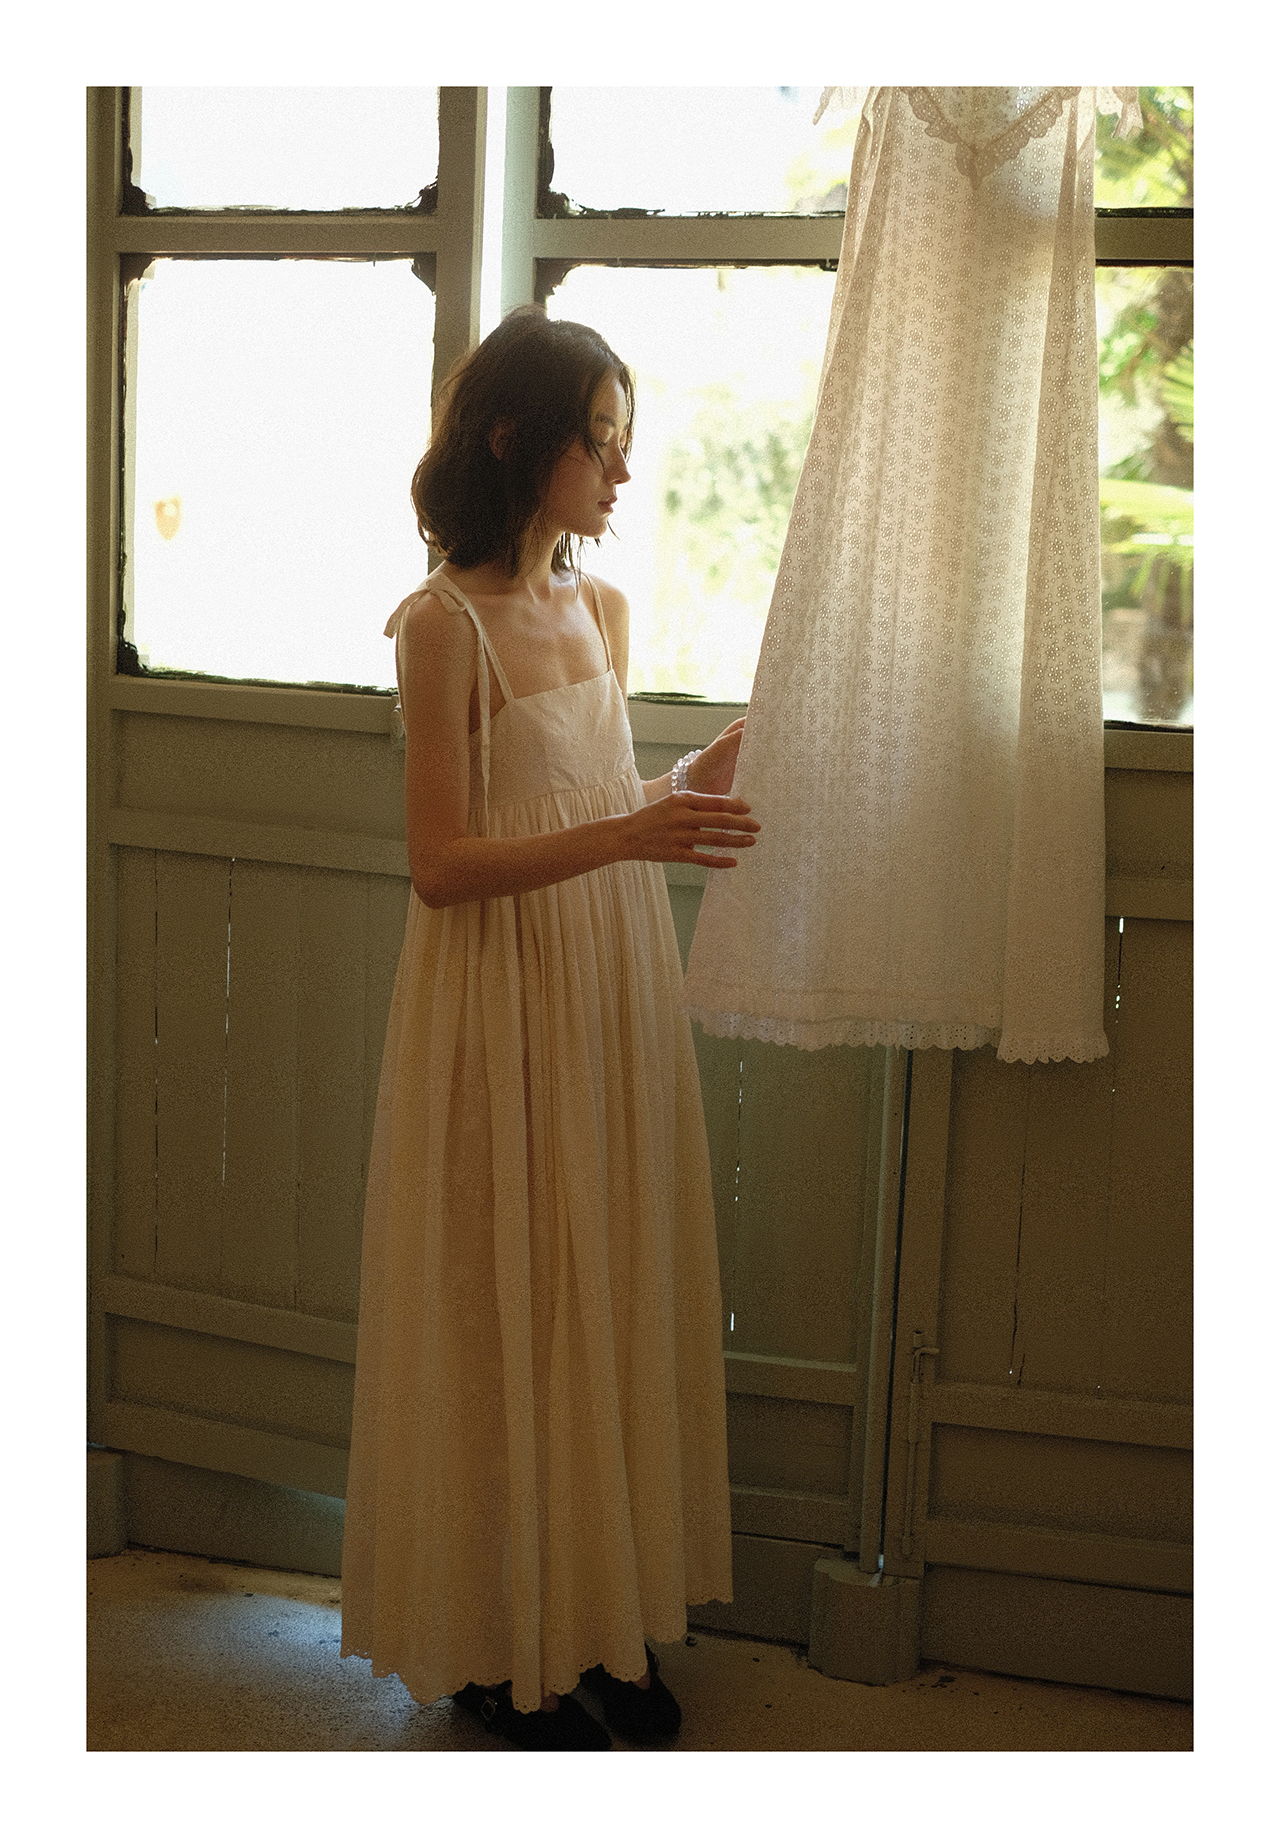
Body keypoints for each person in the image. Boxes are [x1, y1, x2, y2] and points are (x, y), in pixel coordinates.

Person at [339, 307, 758, 1751]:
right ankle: (489, 1644)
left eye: (625, 442)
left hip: (603, 979)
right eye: (602, 441)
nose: (623, 471)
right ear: (518, 440)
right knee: (498, 1301)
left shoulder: (602, 608)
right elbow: (444, 865)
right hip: (494, 992)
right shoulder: (441, 627)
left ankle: (591, 1616)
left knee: (599, 1287)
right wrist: (637, 827)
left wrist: (694, 781)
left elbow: (591, 798)